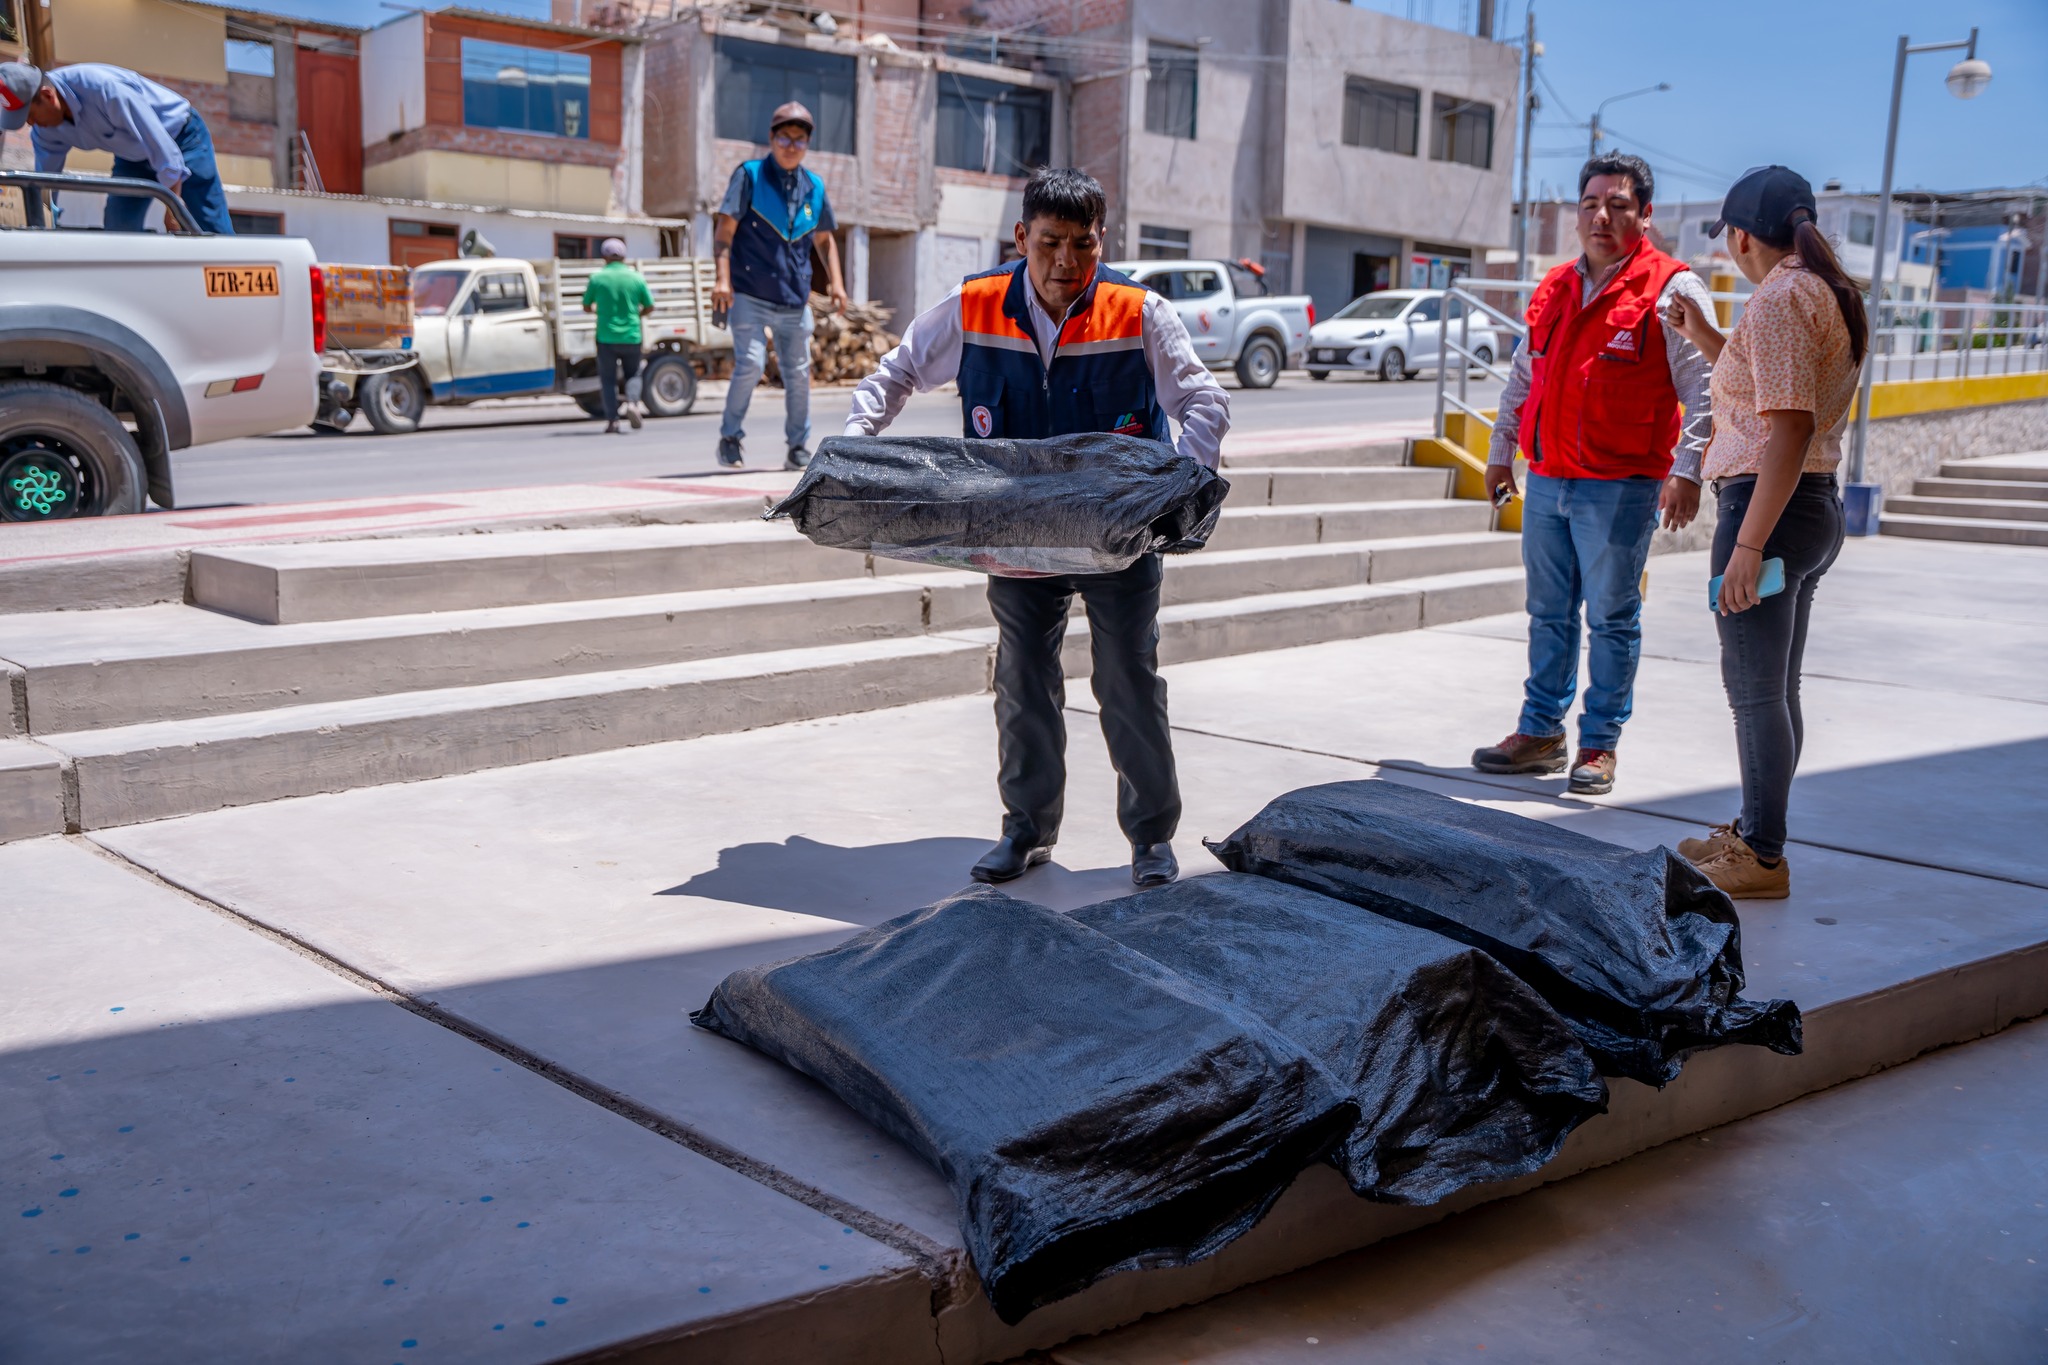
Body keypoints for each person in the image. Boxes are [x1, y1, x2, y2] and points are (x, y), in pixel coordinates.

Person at [846, 167, 1230, 888]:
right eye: (1049, 243)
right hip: (1015, 532)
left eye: (1082, 246)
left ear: (1100, 241)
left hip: (1118, 540)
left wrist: (1179, 488)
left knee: (1127, 681)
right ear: (1020, 237)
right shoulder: (974, 306)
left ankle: (1151, 838)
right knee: (1023, 681)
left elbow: (1204, 403)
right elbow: (892, 376)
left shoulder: (1139, 312)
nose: (1065, 264)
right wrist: (851, 449)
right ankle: (1026, 830)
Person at [1473, 152, 1713, 796]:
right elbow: (1525, 376)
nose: (1602, 215)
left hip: (1622, 486)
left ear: (1645, 214)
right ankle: (1541, 732)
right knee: (1548, 613)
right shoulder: (1552, 287)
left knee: (1611, 616)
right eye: (1590, 203)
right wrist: (1501, 451)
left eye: (1618, 204)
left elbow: (1705, 385)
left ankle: (1599, 744)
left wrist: (1687, 472)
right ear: (1577, 212)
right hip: (1548, 479)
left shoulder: (1673, 288)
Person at [1663, 166, 1863, 899]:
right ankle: (1756, 830)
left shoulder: (1779, 299)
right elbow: (1769, 396)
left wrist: (1747, 545)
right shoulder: (1823, 291)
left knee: (1753, 690)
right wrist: (1712, 337)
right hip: (1811, 508)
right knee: (1777, 687)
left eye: (1729, 238)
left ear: (1743, 235)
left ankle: (1763, 856)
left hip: (1768, 512)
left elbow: (1787, 428)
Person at [712, 101, 849, 472]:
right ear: (772, 139)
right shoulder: (750, 176)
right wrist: (722, 278)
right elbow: (724, 233)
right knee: (751, 364)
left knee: (799, 374)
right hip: (749, 294)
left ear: (807, 144)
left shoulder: (814, 187)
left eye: (800, 140)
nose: (792, 145)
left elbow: (824, 240)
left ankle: (797, 447)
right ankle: (730, 437)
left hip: (793, 298)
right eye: (785, 137)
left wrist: (836, 282)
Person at [0, 61, 233, 235]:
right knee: (119, 228)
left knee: (206, 223)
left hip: (181, 139)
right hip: (132, 157)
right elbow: (46, 188)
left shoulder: (105, 89)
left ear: (48, 96)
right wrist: (43, 226)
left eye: (30, 115)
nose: (30, 124)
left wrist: (172, 207)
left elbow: (165, 152)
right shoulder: (46, 131)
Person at [580, 237, 655, 435]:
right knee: (634, 374)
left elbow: (586, 305)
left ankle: (612, 420)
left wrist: (598, 311)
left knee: (608, 380)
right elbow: (650, 306)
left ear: (604, 256)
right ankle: (632, 403)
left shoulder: (597, 278)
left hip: (606, 337)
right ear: (624, 256)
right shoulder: (636, 278)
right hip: (631, 335)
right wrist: (637, 315)